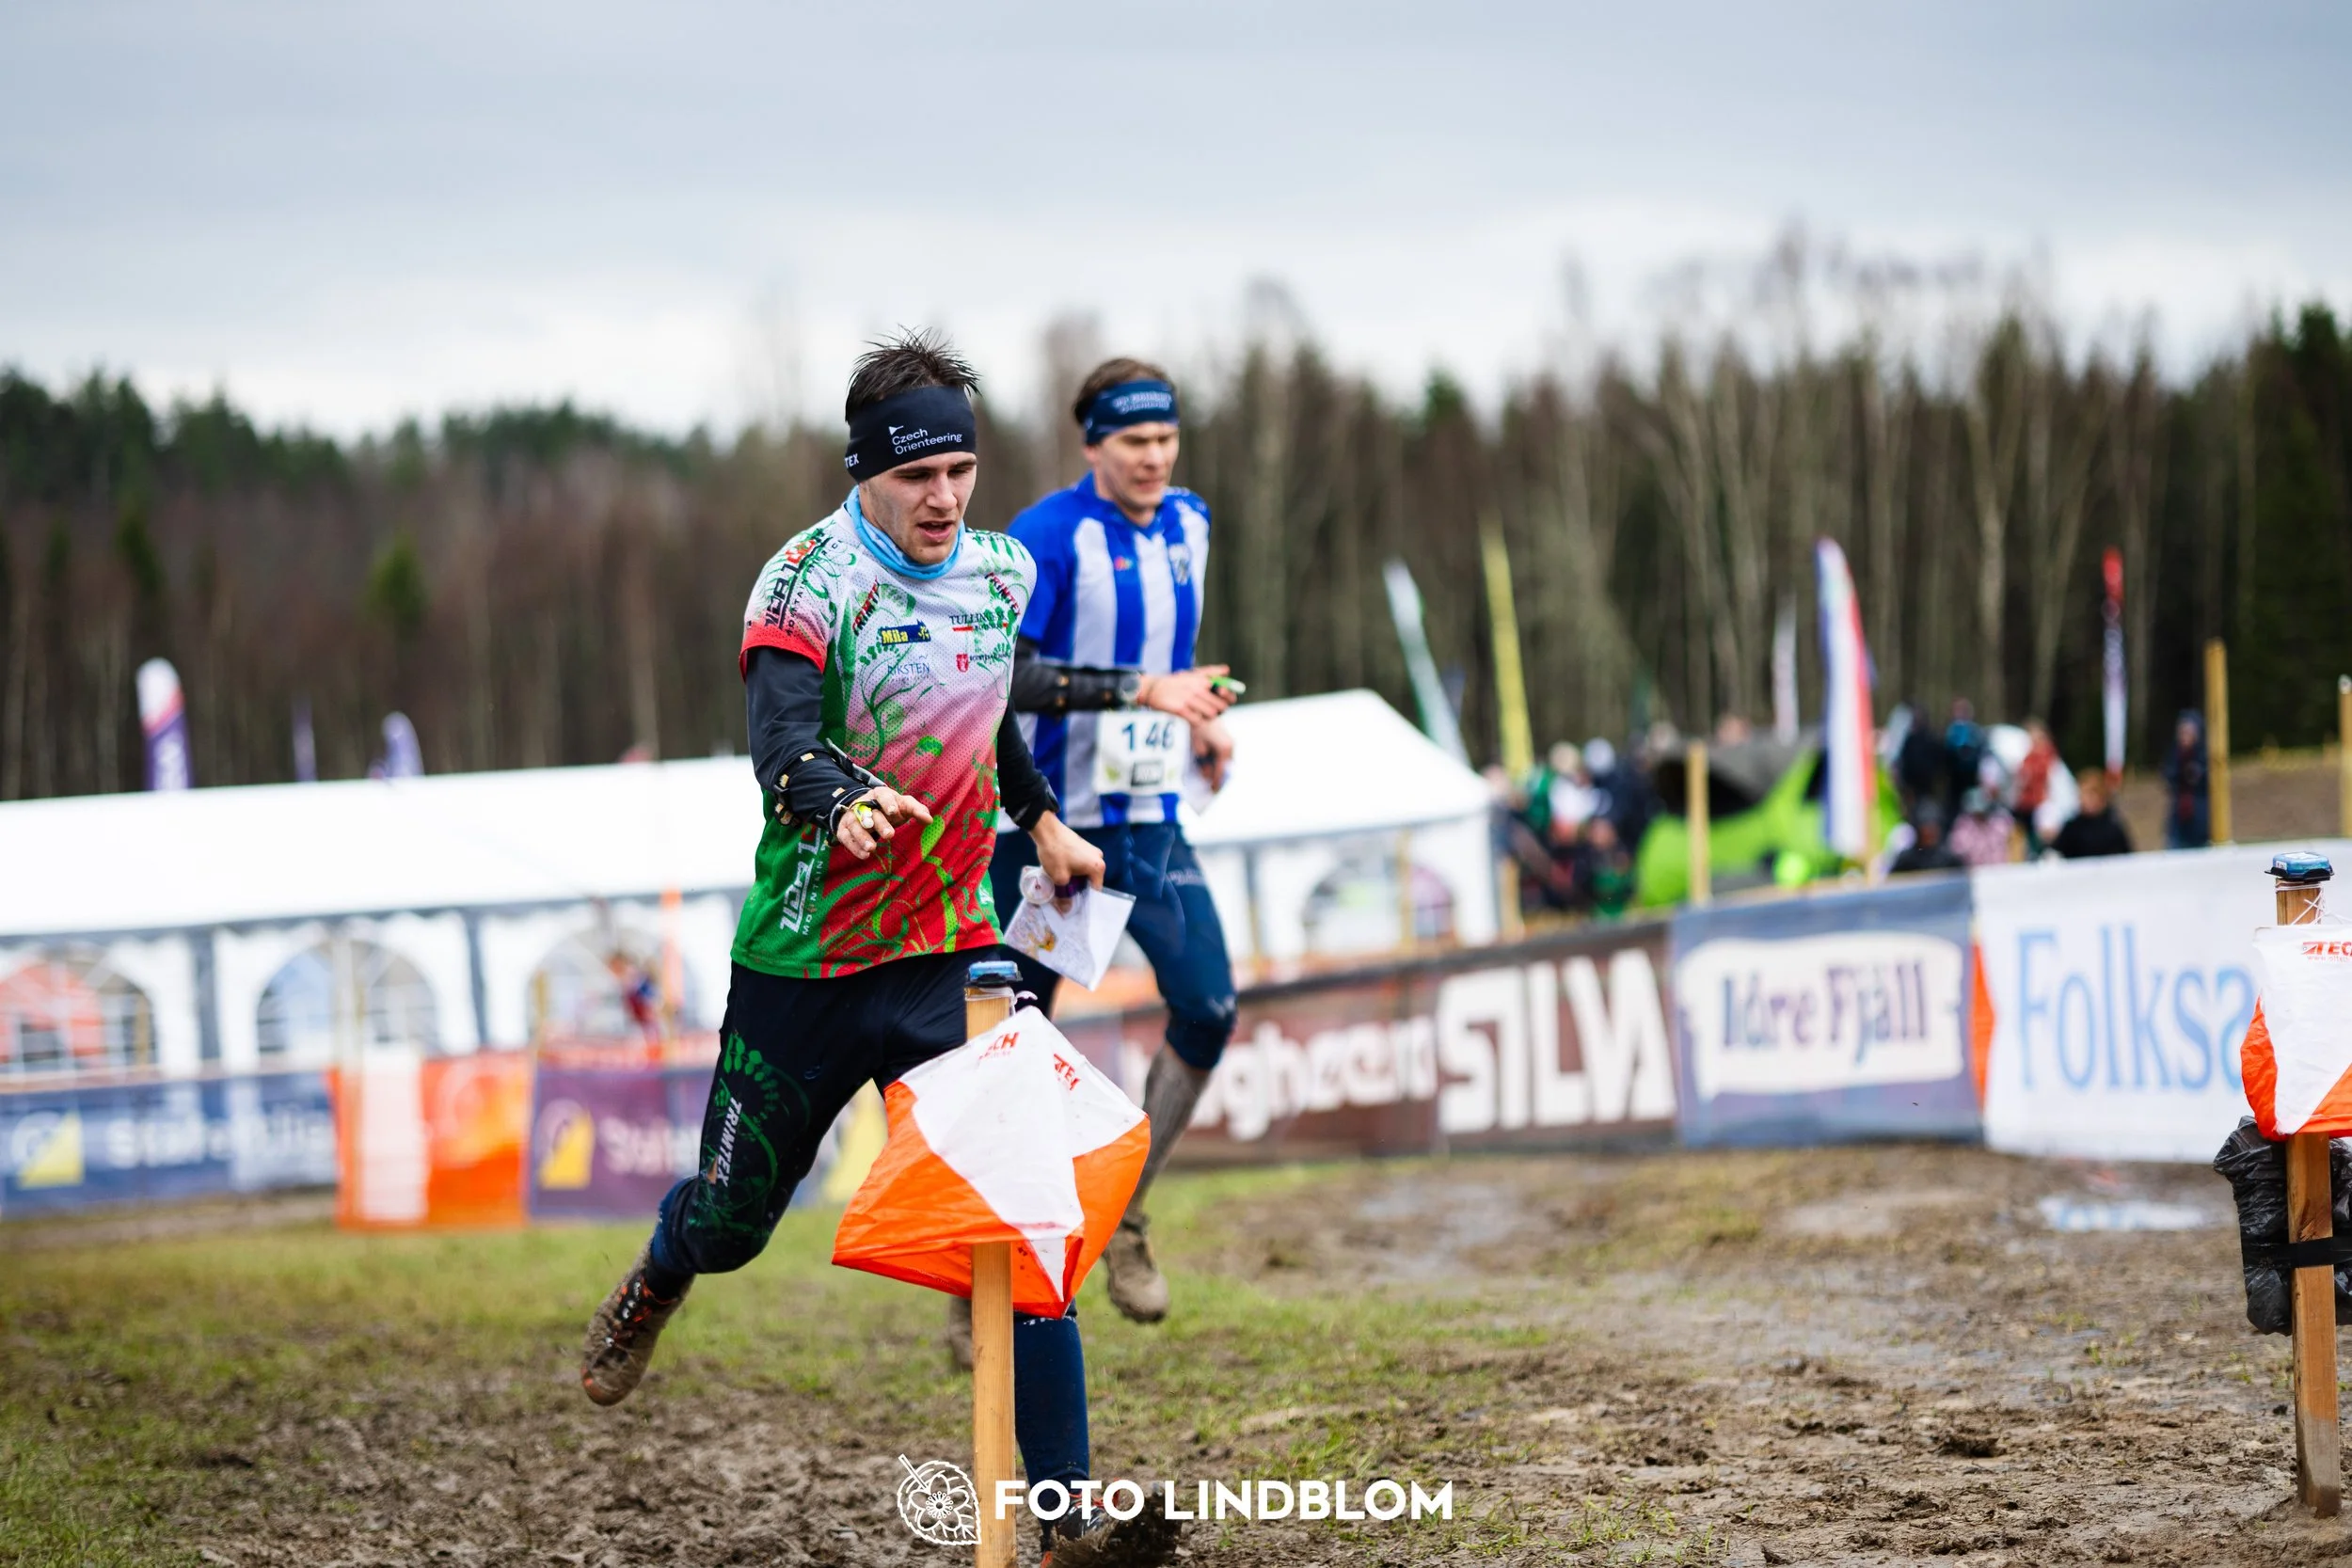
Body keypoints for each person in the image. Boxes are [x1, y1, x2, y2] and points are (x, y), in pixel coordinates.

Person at [579, 331, 1171, 1567]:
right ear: (865, 472)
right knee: (738, 1218)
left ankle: (1062, 1517)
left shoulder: (998, 573)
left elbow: (991, 708)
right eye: (918, 477)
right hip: (802, 966)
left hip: (947, 960)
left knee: (1022, 1211)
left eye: (961, 469)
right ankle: (662, 1268)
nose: (944, 499)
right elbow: (780, 738)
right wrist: (835, 797)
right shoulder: (803, 582)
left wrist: (1044, 820)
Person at [988, 356, 1240, 1331]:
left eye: (1166, 438)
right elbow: (1005, 677)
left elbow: (1169, 661)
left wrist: (1199, 717)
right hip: (1050, 833)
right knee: (1012, 1046)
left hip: (1146, 821)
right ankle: (993, 1268)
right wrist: (1141, 690)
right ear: (1091, 442)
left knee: (1209, 1004)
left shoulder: (1193, 523)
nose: (1154, 457)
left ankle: (1125, 1215)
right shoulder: (1042, 538)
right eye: (1134, 440)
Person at [2054, 768, 2135, 859]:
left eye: (2090, 794)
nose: (2085, 799)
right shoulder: (2071, 828)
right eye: (2083, 794)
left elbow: (2127, 856)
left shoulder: (2113, 826)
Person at [2161, 710, 2211, 849]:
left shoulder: (2205, 757)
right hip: (2179, 821)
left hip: (2200, 822)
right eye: (2182, 732)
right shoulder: (2174, 756)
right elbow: (2168, 779)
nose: (2185, 736)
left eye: (2189, 732)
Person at [1947, 787, 2015, 868]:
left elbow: (2015, 843)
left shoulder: (2000, 821)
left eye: (1983, 811)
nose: (1980, 815)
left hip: (2001, 872)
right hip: (1974, 874)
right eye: (1976, 812)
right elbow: (1956, 849)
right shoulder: (1963, 825)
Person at [1889, 802, 1964, 875]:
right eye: (1926, 828)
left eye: (1933, 827)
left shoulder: (1948, 860)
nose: (1930, 833)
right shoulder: (1906, 861)